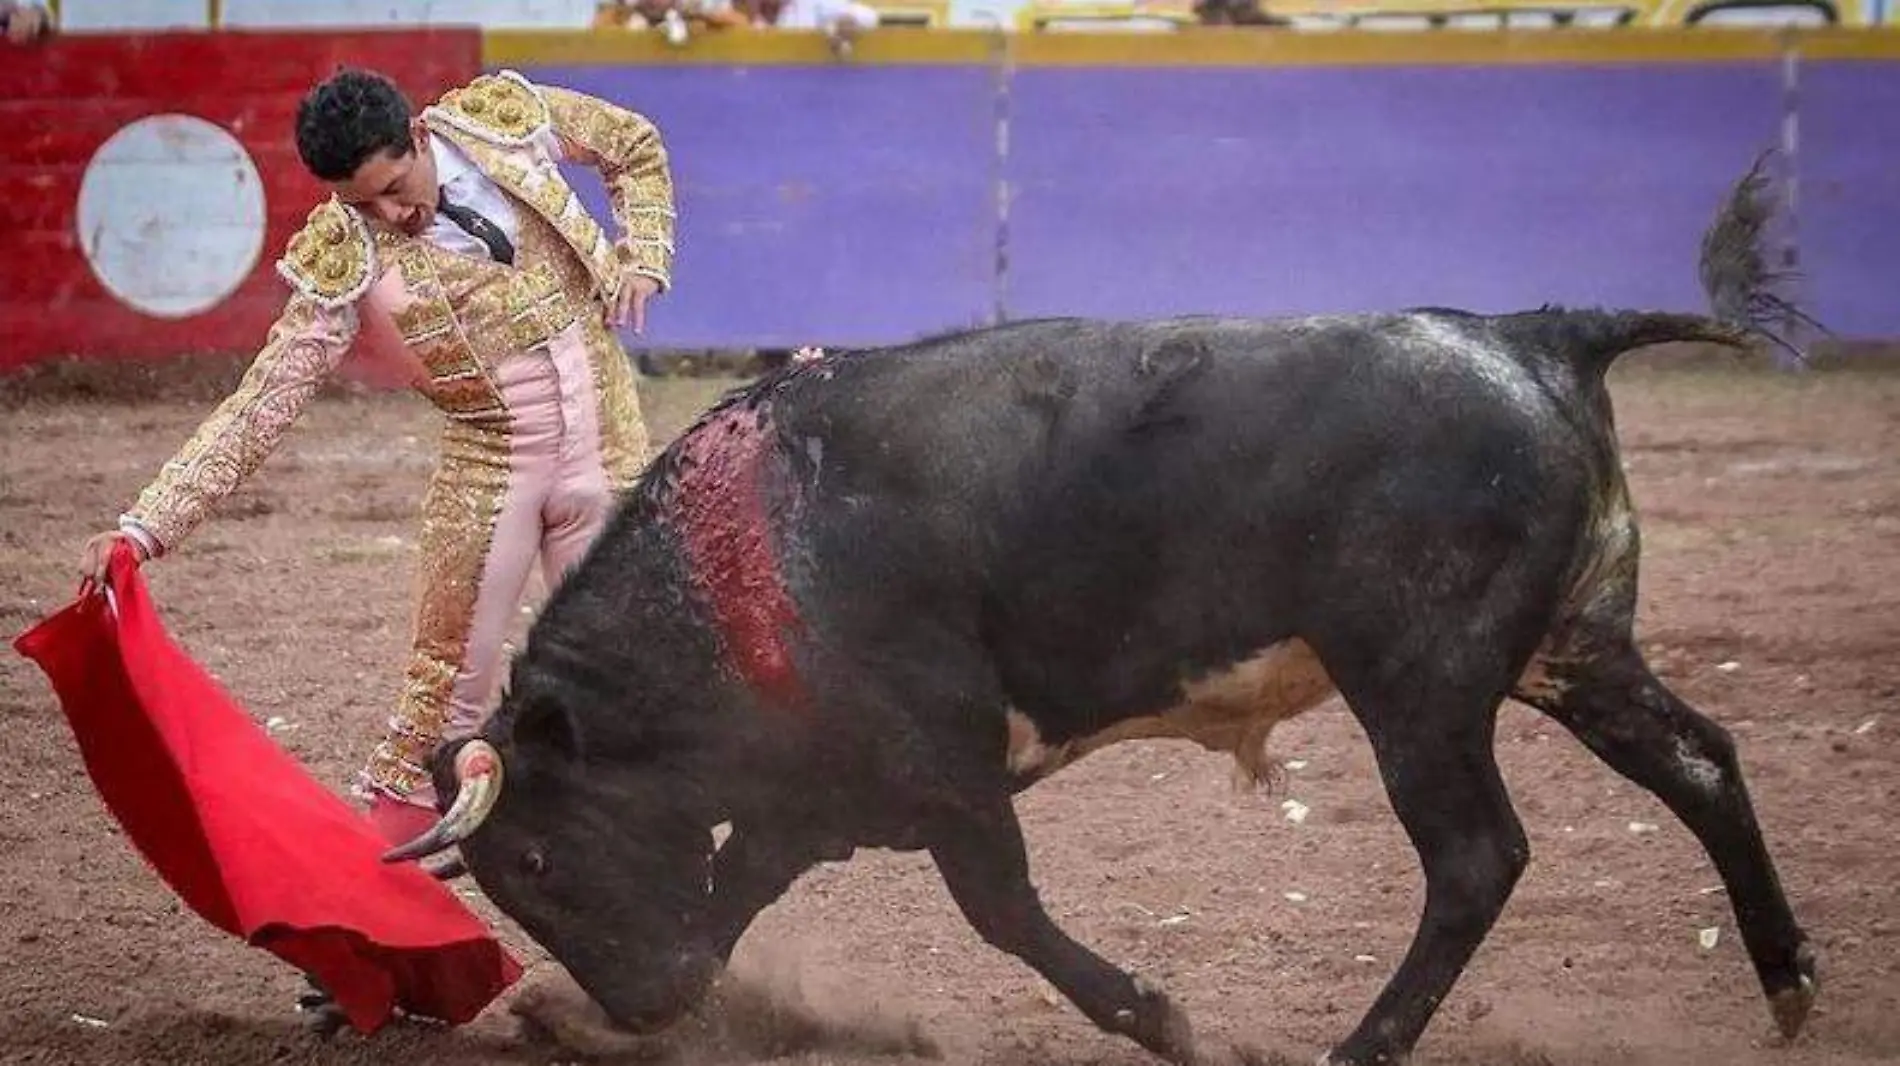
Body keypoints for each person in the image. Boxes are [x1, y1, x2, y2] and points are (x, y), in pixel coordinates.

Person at [77, 66, 677, 851]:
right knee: (441, 701)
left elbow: (632, 144)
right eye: (361, 204)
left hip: (611, 449)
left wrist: (644, 254)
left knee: (636, 683)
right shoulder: (346, 249)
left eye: (394, 187)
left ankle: (666, 903)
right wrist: (144, 529)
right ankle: (386, 933)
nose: (390, 215)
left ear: (420, 137)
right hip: (493, 473)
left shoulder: (503, 119)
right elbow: (263, 403)